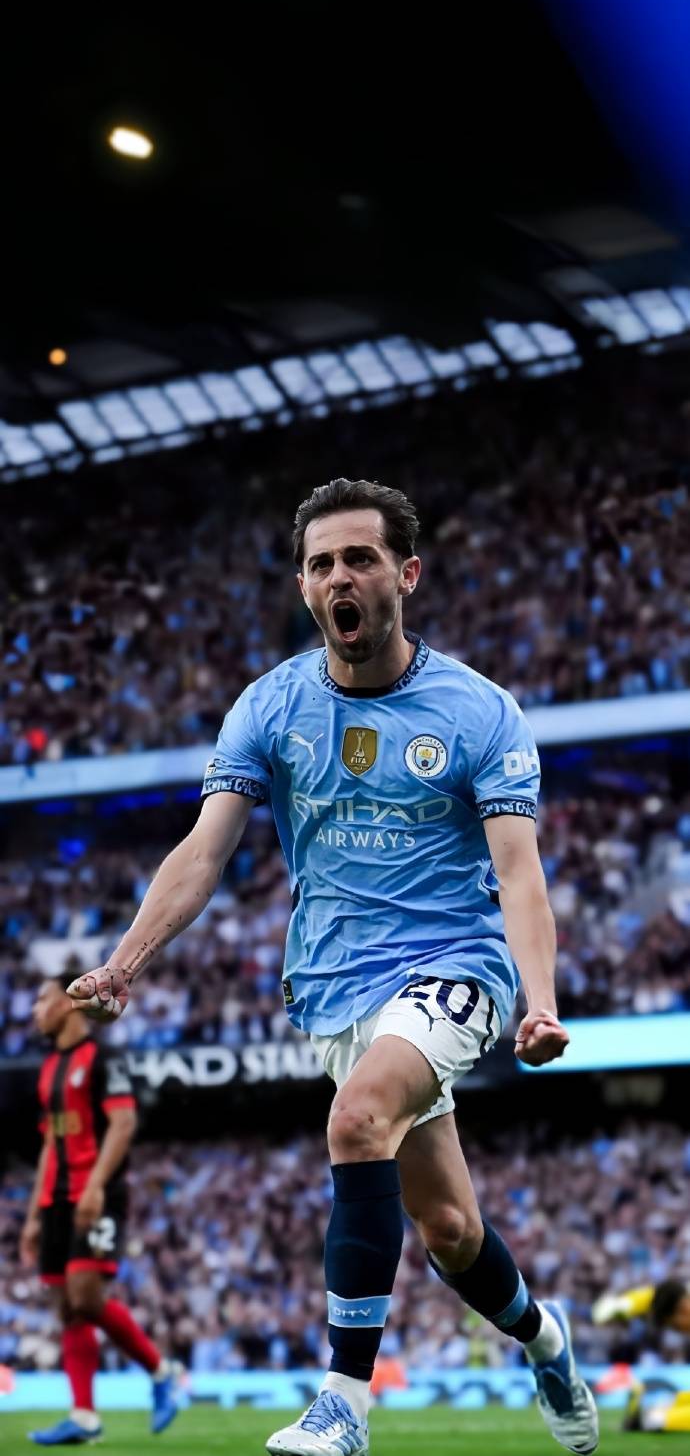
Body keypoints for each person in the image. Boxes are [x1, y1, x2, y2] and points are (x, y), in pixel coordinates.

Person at [68, 478, 599, 1456]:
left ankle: (344, 1402)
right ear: (305, 587)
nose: (339, 577)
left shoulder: (479, 711)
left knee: (355, 1120)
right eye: (321, 564)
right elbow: (204, 850)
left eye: (360, 557)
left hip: (453, 964)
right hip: (332, 987)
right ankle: (545, 1338)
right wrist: (124, 962)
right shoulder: (271, 706)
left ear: (407, 573)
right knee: (450, 1229)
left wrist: (540, 1000)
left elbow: (520, 874)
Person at [20, 975, 180, 1444]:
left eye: (43, 999)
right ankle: (85, 1417)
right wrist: (33, 1214)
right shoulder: (49, 1068)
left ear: (68, 1004)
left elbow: (123, 1123)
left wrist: (94, 1187)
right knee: (68, 1309)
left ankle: (161, 1371)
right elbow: (50, 1143)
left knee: (86, 1296)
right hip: (55, 1198)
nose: (35, 1009)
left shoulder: (104, 1059)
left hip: (97, 1193)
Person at [594, 1281, 690, 1433]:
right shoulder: (681, 1296)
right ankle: (661, 1412)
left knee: (662, 1415)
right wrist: (624, 1304)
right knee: (674, 1403)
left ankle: (657, 1419)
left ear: (683, 1309)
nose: (680, 1332)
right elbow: (658, 1294)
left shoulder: (682, 1300)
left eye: (675, 1326)